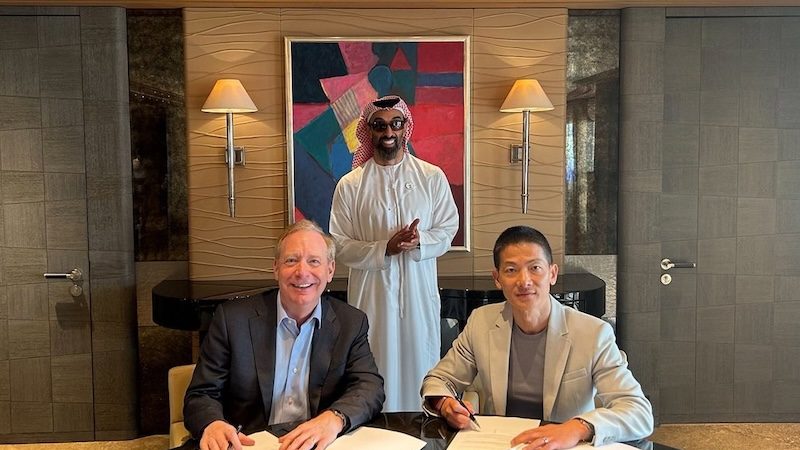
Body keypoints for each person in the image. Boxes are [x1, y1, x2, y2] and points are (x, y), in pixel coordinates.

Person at [421, 226, 654, 449]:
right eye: (511, 270)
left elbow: (638, 412)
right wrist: (445, 403)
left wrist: (577, 428)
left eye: (535, 268)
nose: (524, 281)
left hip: (564, 446)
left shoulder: (593, 333)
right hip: (502, 444)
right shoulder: (481, 322)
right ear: (497, 278)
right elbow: (438, 379)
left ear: (552, 274)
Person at [184, 220, 385, 450]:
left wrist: (334, 418)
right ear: (276, 268)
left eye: (314, 261)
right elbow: (201, 394)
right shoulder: (232, 320)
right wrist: (213, 423)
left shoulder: (351, 322)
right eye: (291, 260)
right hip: (249, 444)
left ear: (330, 270)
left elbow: (370, 387)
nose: (302, 272)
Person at [329, 95, 459, 411]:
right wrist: (383, 249)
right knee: (374, 365)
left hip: (418, 297)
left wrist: (420, 243)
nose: (388, 131)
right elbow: (340, 245)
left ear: (405, 128)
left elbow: (448, 227)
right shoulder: (350, 185)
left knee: (421, 367)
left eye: (395, 124)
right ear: (368, 131)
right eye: (379, 125)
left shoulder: (431, 177)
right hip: (372, 299)